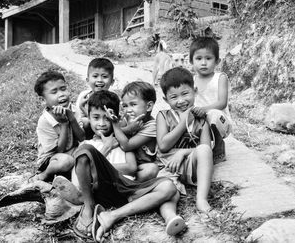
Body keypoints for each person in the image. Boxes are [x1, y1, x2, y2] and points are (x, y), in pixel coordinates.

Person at [71, 90, 186, 242]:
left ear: (115, 118)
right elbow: (77, 178)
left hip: (125, 190)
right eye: (96, 118)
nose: (101, 123)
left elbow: (131, 167)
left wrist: (104, 166)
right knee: (85, 151)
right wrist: (106, 148)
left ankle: (112, 216)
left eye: (107, 118)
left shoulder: (122, 141)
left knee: (169, 187)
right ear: (89, 118)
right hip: (99, 190)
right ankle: (88, 206)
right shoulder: (88, 144)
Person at [156, 67, 214, 213]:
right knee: (168, 193)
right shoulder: (163, 116)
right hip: (168, 166)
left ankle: (201, 200)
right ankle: (171, 218)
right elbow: (163, 146)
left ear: (194, 91)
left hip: (191, 166)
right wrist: (184, 122)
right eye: (174, 97)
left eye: (185, 93)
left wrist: (182, 152)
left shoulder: (201, 119)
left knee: (204, 150)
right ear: (165, 99)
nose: (181, 101)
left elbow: (206, 148)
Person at [33, 70, 85, 182]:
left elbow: (82, 138)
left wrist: (71, 118)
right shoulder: (45, 121)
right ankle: (45, 175)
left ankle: (74, 180)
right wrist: (64, 124)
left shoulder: (73, 110)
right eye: (54, 92)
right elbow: (59, 150)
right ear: (43, 100)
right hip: (52, 159)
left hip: (72, 151)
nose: (61, 94)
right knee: (66, 162)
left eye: (63, 89)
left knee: (88, 152)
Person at [190, 37, 232, 159]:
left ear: (217, 61)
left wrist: (203, 109)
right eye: (198, 58)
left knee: (212, 114)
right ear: (192, 61)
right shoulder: (191, 81)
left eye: (208, 58)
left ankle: (219, 147)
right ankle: (201, 149)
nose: (203, 63)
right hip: (199, 119)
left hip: (219, 121)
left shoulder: (220, 78)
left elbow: (222, 103)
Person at [110, 81, 160, 181]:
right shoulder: (127, 118)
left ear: (149, 106)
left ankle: (130, 186)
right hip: (123, 162)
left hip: (139, 167)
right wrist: (127, 128)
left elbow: (126, 146)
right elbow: (112, 133)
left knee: (151, 169)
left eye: (133, 104)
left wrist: (125, 129)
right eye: (125, 106)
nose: (128, 110)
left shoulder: (152, 126)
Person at [75, 58, 115, 139]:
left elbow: (112, 122)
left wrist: (83, 109)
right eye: (95, 76)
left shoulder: (112, 98)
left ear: (112, 81)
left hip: (107, 134)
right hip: (85, 135)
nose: (99, 80)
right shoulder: (84, 96)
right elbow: (78, 121)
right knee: (83, 121)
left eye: (104, 76)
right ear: (88, 80)